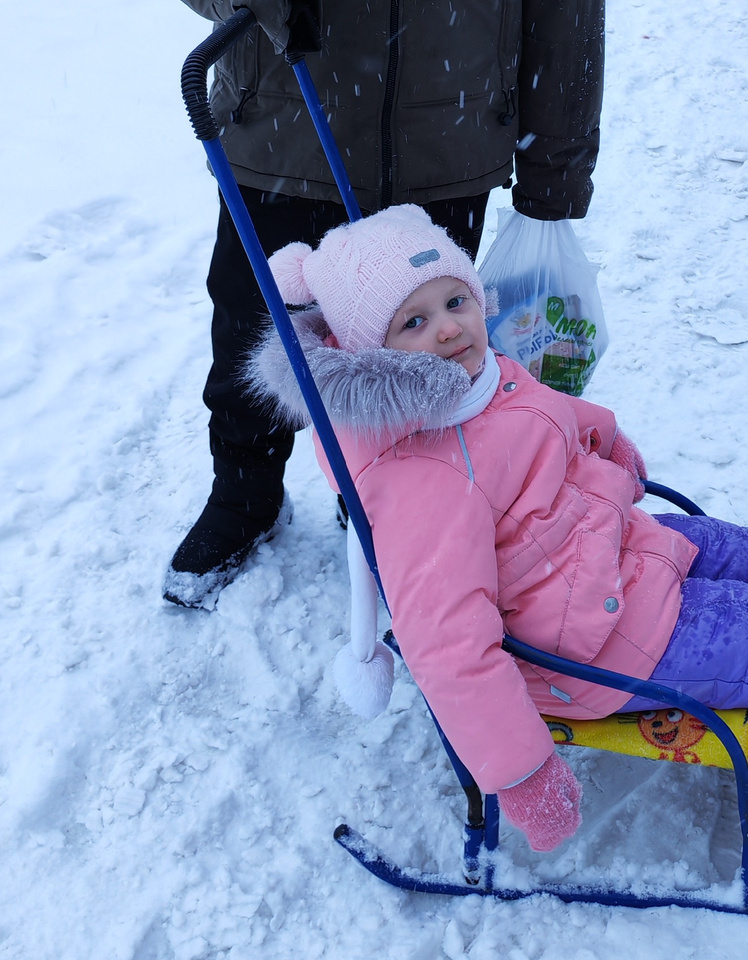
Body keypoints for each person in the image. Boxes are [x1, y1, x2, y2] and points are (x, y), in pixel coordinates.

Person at [246, 206, 748, 853]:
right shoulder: (421, 477)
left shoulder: (471, 378)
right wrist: (525, 778)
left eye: (455, 301)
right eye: (413, 322)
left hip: (614, 553)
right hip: (584, 640)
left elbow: (549, 416)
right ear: (373, 356)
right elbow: (448, 646)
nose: (449, 329)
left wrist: (607, 448)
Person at [166, 0, 605, 607]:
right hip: (283, 123)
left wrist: (555, 166)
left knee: (424, 350)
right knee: (257, 330)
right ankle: (245, 490)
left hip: (448, 131)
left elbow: (566, 15)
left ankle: (393, 500)